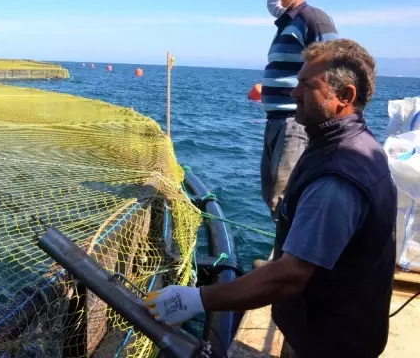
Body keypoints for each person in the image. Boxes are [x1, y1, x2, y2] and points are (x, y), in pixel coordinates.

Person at [146, 39, 397, 358]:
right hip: (333, 330)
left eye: (307, 85)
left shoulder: (338, 177)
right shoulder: (353, 145)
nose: (294, 94)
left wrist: (196, 300)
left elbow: (290, 277)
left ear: (344, 96)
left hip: (330, 344)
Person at [256, 0, 339, 268]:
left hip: (294, 123)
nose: (270, 0)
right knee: (272, 193)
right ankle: (282, 260)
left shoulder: (312, 19)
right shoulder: (284, 25)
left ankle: (289, 268)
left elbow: (331, 67)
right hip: (275, 121)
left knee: (286, 197)